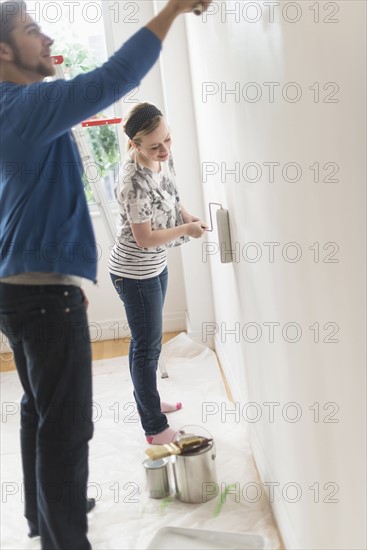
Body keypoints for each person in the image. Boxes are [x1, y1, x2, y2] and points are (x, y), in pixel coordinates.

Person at [0, 1, 212, 548]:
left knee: (38, 410)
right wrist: (173, 9)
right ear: (3, 52)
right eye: (30, 30)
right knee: (67, 430)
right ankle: (64, 538)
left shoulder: (6, 108)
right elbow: (119, 75)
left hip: (20, 289)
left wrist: (56, 277)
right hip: (40, 296)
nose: (46, 37)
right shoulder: (30, 104)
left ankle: (38, 515)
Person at [108, 103, 207, 445]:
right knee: (146, 348)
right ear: (135, 145)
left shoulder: (161, 158)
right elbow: (145, 237)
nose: (164, 150)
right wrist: (187, 231)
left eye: (167, 140)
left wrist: (188, 216)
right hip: (134, 274)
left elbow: (172, 198)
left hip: (155, 267)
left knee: (149, 343)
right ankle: (153, 425)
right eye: (154, 146)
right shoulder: (132, 182)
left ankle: (148, 401)